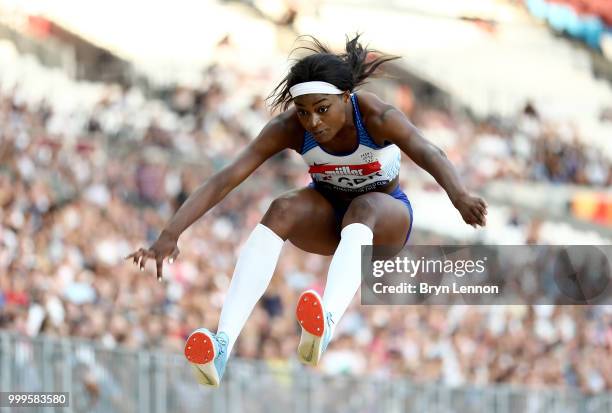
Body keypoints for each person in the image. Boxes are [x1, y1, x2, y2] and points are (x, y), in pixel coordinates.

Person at [126, 34, 487, 387]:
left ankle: (325, 322)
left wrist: (459, 195)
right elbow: (226, 178)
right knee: (281, 208)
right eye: (304, 112)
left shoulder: (377, 117)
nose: (314, 122)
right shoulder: (290, 128)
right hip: (329, 217)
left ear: (347, 98)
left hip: (385, 222)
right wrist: (170, 233)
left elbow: (427, 151)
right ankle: (222, 345)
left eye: (322, 109)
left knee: (363, 206)